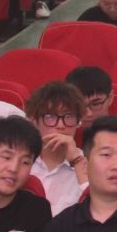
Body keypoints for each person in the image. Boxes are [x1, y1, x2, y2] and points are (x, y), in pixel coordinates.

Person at [26, 80, 88, 214]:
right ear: (34, 121)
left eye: (69, 116)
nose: (60, 125)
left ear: (78, 122)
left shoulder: (90, 164)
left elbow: (98, 208)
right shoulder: (21, 161)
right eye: (50, 116)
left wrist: (76, 160)